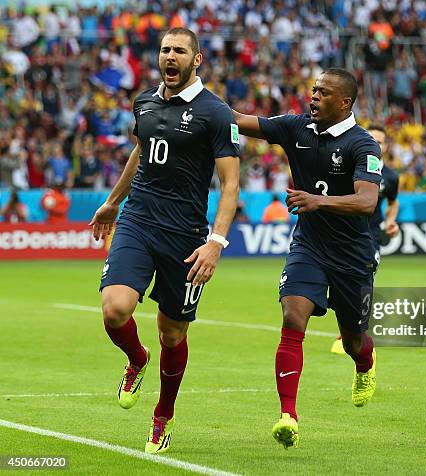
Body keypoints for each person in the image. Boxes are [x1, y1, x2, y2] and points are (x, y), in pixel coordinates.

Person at [89, 27, 240, 454]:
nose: (169, 56)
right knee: (115, 308)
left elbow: (231, 185)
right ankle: (137, 359)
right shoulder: (145, 102)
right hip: (138, 221)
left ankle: (163, 416)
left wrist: (216, 242)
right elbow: (140, 153)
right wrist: (112, 202)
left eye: (179, 51)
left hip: (186, 235)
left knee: (173, 335)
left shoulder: (216, 113)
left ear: (197, 60)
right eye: (164, 50)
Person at [233, 68, 382, 448]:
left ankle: (364, 363)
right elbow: (237, 121)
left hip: (352, 256)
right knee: (292, 313)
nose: (313, 97)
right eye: (313, 90)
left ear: (345, 102)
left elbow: (367, 201)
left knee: (352, 340)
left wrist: (318, 201)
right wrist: (195, 94)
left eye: (323, 93)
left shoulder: (363, 145)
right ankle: (288, 416)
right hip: (309, 247)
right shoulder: (295, 128)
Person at [331, 123, 399, 355]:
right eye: (373, 139)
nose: (376, 144)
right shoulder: (349, 166)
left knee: (364, 278)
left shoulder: (390, 176)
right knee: (341, 283)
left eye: (380, 141)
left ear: (386, 147)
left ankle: (353, 332)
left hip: (371, 236)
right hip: (344, 233)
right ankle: (350, 329)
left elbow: (393, 202)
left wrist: (391, 220)